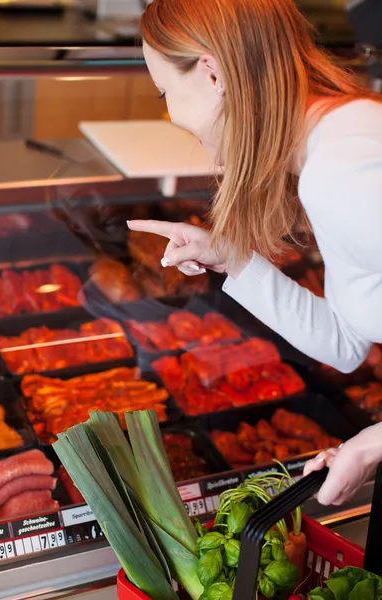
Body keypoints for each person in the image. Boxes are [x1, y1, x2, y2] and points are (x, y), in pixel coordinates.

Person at [128, 0, 382, 505]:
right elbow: (347, 344)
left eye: (164, 91)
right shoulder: (338, 140)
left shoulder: (344, 172)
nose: (171, 113)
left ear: (213, 73)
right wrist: (232, 260)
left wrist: (372, 444)